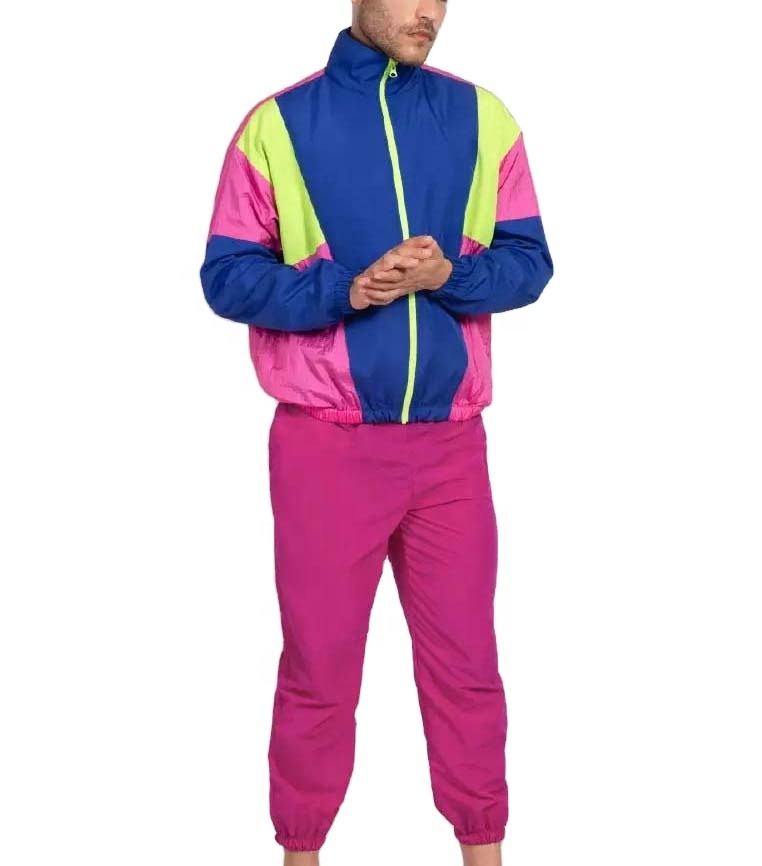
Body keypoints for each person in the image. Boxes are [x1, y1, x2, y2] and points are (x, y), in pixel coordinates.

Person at [200, 1, 553, 863]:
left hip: (451, 447)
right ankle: (302, 851)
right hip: (326, 445)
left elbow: (530, 262)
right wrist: (347, 290)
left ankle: (484, 850)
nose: (429, 11)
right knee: (319, 669)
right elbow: (227, 275)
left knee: (467, 667)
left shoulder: (484, 117)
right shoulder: (278, 125)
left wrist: (449, 274)